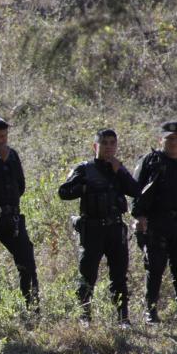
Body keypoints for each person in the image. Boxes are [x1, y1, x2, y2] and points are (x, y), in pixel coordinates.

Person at [58, 129, 140, 325]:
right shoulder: (84, 169)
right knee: (87, 275)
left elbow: (135, 191)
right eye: (104, 143)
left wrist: (119, 171)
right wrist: (85, 187)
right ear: (95, 146)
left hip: (115, 229)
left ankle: (123, 319)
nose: (109, 147)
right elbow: (63, 192)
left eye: (113, 143)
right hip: (93, 229)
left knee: (119, 276)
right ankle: (85, 317)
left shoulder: (118, 168)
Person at [132, 121, 177, 324]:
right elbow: (136, 191)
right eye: (169, 138)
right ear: (161, 139)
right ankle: (150, 312)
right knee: (155, 267)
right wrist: (139, 216)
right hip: (157, 222)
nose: (173, 142)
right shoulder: (150, 161)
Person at [0, 116, 39, 311]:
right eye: (0, 136)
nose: (4, 140)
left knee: (27, 262)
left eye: (6, 136)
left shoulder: (12, 155)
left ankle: (33, 308)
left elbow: (20, 186)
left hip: (12, 218)